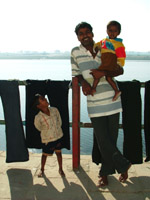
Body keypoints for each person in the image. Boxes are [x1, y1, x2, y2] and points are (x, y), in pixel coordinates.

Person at [71, 22, 131, 187]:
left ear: (92, 33)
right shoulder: (75, 52)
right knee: (102, 140)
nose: (85, 35)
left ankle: (105, 173)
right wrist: (83, 83)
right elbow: (76, 75)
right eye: (81, 33)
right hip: (94, 103)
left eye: (87, 32)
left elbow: (120, 70)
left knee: (111, 139)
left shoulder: (105, 46)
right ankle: (123, 164)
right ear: (77, 37)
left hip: (112, 100)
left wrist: (103, 72)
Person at [90, 20, 126, 101]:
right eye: (110, 30)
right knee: (106, 77)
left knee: (101, 75)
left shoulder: (119, 44)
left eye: (115, 31)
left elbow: (121, 56)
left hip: (111, 60)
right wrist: (95, 47)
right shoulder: (104, 40)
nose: (112, 33)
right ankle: (115, 90)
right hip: (105, 60)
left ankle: (94, 88)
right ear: (106, 31)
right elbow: (98, 44)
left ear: (119, 32)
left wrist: (119, 64)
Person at [33, 94, 65, 177]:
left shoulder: (55, 110)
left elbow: (59, 121)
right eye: (42, 99)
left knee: (59, 153)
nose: (46, 99)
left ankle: (60, 169)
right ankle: (42, 170)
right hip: (47, 139)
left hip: (58, 136)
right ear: (39, 106)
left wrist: (57, 130)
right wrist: (47, 132)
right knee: (44, 154)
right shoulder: (38, 117)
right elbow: (38, 127)